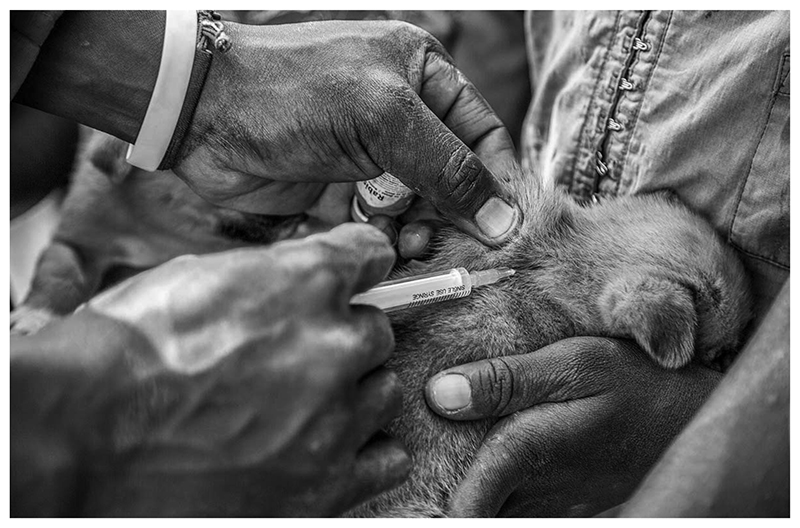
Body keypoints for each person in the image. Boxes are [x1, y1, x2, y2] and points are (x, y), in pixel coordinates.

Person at [10, 10, 521, 516]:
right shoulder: (104, 189)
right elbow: (71, 250)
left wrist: (200, 84)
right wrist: (105, 419)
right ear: (119, 154)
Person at [423, 10, 789, 517]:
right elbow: (497, 28)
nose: (718, 358)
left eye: (720, 354)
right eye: (719, 353)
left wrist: (706, 413)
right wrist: (449, 165)